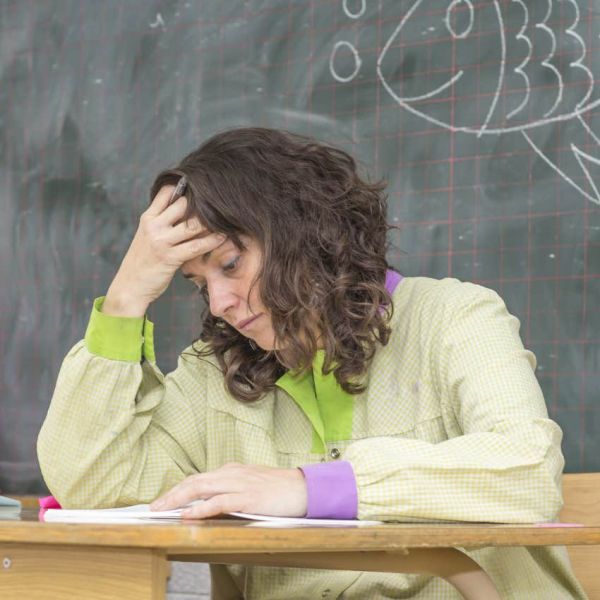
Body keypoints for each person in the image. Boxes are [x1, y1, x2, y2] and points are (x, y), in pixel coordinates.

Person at [38, 127, 585, 599]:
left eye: (230, 263)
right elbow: (94, 485)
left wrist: (312, 488)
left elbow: (528, 471)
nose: (221, 302)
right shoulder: (215, 373)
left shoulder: (454, 316)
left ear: (302, 232)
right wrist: (126, 298)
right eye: (199, 284)